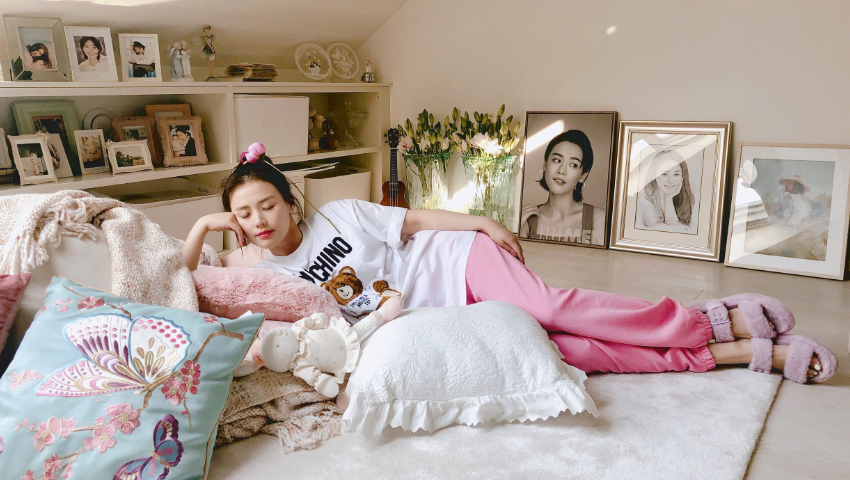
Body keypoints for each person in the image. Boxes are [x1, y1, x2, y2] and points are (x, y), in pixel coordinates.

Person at [182, 143, 837, 385]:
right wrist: (201, 227)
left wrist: (483, 223)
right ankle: (728, 350)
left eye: (267, 205)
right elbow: (179, 286)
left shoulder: (341, 214)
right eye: (244, 214)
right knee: (566, 351)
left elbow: (418, 222)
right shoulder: (255, 270)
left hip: (457, 261)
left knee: (548, 306)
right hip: (443, 316)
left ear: (288, 200)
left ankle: (703, 324)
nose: (260, 220)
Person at [519, 130, 605, 245]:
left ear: (583, 176)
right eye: (557, 160)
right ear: (545, 164)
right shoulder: (527, 218)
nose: (561, 170)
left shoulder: (598, 219)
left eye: (573, 165)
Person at [636, 149, 696, 234]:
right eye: (664, 174)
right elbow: (656, 229)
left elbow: (674, 229)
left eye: (676, 174)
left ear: (682, 177)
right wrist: (681, 228)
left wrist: (668, 198)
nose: (670, 180)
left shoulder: (685, 196)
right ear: (654, 176)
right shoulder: (645, 198)